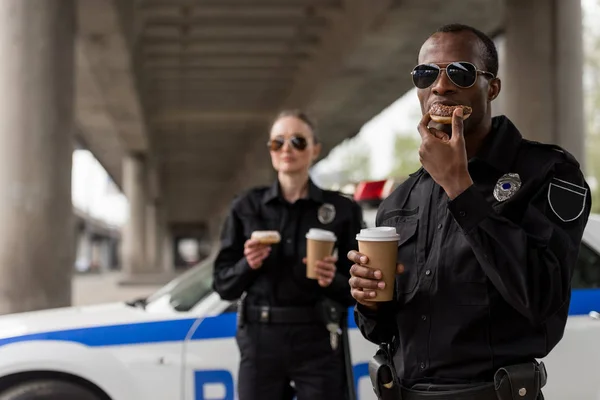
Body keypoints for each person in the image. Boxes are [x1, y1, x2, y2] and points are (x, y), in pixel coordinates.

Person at [348, 23, 592, 400]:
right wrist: (369, 302)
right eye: (426, 74)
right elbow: (382, 330)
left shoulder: (547, 173)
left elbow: (541, 300)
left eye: (459, 73)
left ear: (491, 87)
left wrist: (459, 187)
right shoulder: (401, 199)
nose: (440, 86)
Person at [213, 109, 365, 400]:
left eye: (298, 141)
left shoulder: (342, 210)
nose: (287, 149)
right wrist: (249, 264)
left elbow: (360, 290)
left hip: (319, 335)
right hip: (260, 338)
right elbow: (223, 285)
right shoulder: (246, 206)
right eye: (277, 142)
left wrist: (333, 279)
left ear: (315, 149)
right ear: (270, 149)